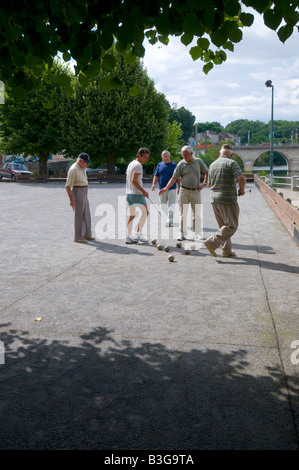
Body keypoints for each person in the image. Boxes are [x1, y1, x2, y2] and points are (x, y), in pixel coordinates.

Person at [204, 143, 246, 257]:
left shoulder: (212, 165)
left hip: (214, 199)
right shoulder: (231, 163)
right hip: (227, 200)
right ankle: (211, 243)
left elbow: (209, 183)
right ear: (231, 154)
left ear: (220, 153)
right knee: (232, 226)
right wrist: (242, 189)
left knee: (223, 227)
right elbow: (241, 177)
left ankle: (226, 251)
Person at [159, 145, 208, 241]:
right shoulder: (181, 164)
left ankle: (197, 234)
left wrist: (204, 184)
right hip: (184, 191)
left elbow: (207, 171)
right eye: (183, 155)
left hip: (196, 191)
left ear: (191, 154)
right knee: (183, 214)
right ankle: (182, 233)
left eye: (186, 155)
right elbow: (173, 178)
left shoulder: (198, 162)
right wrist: (165, 188)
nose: (184, 157)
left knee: (197, 214)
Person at [65, 152, 95, 243]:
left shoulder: (82, 167)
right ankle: (78, 237)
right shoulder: (74, 169)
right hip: (78, 191)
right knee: (79, 215)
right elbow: (67, 186)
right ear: (80, 161)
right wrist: (71, 199)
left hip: (84, 191)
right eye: (86, 162)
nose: (87, 164)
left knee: (86, 214)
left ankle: (87, 234)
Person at [125, 147, 150, 244]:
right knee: (145, 213)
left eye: (147, 157)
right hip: (137, 194)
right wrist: (143, 191)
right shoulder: (138, 165)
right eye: (145, 157)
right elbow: (134, 180)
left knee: (132, 215)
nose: (146, 159)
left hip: (129, 194)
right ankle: (138, 233)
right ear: (139, 156)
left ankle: (128, 236)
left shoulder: (131, 163)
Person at [151, 150, 178, 226]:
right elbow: (156, 175)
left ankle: (170, 221)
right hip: (162, 188)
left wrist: (179, 187)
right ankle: (168, 217)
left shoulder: (174, 165)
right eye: (164, 157)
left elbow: (178, 177)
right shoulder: (159, 165)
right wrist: (153, 184)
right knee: (162, 205)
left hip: (172, 188)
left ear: (170, 156)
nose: (166, 158)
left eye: (167, 156)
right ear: (162, 157)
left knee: (171, 204)